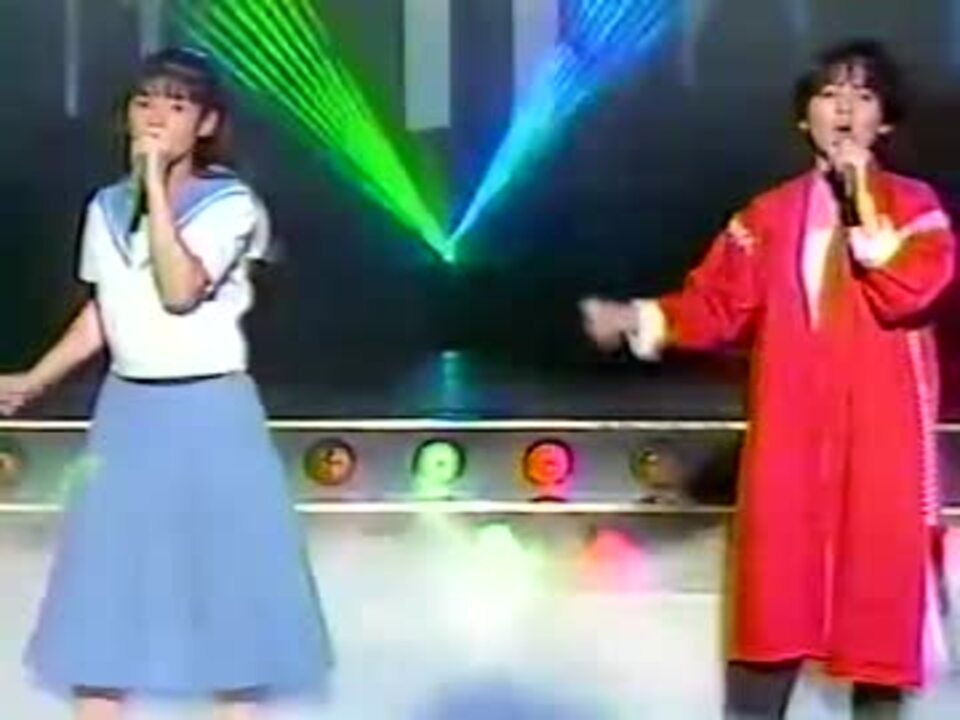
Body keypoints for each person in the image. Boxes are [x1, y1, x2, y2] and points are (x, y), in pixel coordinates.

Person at [582, 39, 955, 719]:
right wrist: (638, 316)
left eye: (863, 96)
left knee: (877, 618)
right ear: (803, 116)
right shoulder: (768, 216)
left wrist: (863, 201)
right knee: (774, 605)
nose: (845, 110)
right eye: (829, 95)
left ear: (885, 121)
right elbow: (715, 304)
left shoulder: (915, 207)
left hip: (882, 445)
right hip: (793, 440)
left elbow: (912, 289)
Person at [0, 47, 333, 720]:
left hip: (211, 411)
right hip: (127, 414)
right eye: (144, 103)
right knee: (103, 592)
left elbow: (179, 292)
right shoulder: (105, 208)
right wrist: (34, 379)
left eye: (176, 107)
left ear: (205, 124)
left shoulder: (231, 205)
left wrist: (153, 185)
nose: (155, 118)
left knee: (226, 593)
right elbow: (106, 310)